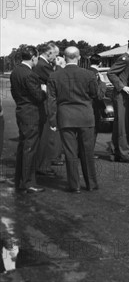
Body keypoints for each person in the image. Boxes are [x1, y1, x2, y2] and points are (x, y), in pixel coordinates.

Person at [47, 47, 101, 193]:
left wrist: (52, 121)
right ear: (78, 57)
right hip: (86, 117)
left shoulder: (54, 76)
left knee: (70, 153)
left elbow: (51, 101)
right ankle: (91, 183)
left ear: (64, 57)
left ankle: (74, 185)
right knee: (87, 152)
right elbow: (95, 94)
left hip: (66, 118)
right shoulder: (89, 74)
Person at [10, 46, 46, 193]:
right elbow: (38, 96)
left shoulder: (15, 72)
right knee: (30, 149)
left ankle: (20, 180)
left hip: (21, 110)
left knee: (23, 147)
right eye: (37, 58)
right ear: (33, 58)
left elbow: (14, 92)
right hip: (31, 113)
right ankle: (27, 183)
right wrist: (44, 91)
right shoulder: (30, 74)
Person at [107, 40, 129, 163]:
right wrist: (123, 86)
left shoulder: (128, 59)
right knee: (122, 125)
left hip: (121, 95)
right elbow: (111, 73)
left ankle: (115, 152)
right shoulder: (125, 59)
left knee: (119, 125)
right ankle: (125, 154)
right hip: (120, 95)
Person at [34, 43, 60, 176]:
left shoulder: (43, 65)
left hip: (44, 102)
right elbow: (57, 79)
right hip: (44, 104)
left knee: (46, 135)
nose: (56, 57)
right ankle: (43, 166)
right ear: (49, 53)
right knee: (45, 135)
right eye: (55, 54)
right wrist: (60, 66)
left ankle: (44, 164)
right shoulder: (43, 66)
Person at [88, 54, 106, 158]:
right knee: (93, 131)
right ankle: (89, 152)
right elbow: (99, 95)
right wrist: (103, 83)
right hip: (94, 106)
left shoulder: (84, 72)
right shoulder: (97, 75)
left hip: (84, 105)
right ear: (100, 63)